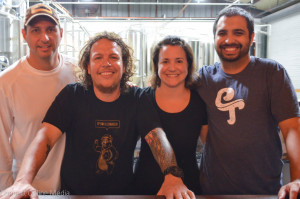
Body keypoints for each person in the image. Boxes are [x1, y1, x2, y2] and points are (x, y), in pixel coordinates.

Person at [0, 32, 195, 199]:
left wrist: (172, 176)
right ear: (88, 66)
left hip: (122, 195)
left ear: (124, 66)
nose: (106, 63)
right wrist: (23, 181)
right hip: (73, 195)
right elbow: (45, 137)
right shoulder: (72, 95)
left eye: (114, 57)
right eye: (98, 57)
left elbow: (156, 136)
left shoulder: (136, 98)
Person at [197, 6, 300, 198]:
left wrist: (297, 178)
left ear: (251, 38)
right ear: (214, 39)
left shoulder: (271, 73)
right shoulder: (204, 78)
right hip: (213, 191)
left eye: (238, 33)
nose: (229, 40)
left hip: (264, 191)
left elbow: (292, 129)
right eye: (222, 33)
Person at [0, 3, 78, 193]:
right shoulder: (7, 82)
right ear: (24, 35)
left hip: (73, 185)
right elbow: (1, 148)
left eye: (50, 30)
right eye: (36, 30)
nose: (44, 38)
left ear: (60, 33)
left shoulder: (77, 72)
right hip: (31, 188)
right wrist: (9, 189)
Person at [134, 36, 208, 195]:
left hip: (188, 188)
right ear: (156, 65)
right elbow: (155, 135)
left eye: (179, 61)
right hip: (146, 189)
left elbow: (210, 145)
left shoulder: (200, 101)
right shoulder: (143, 98)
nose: (172, 67)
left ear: (188, 64)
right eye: (165, 61)